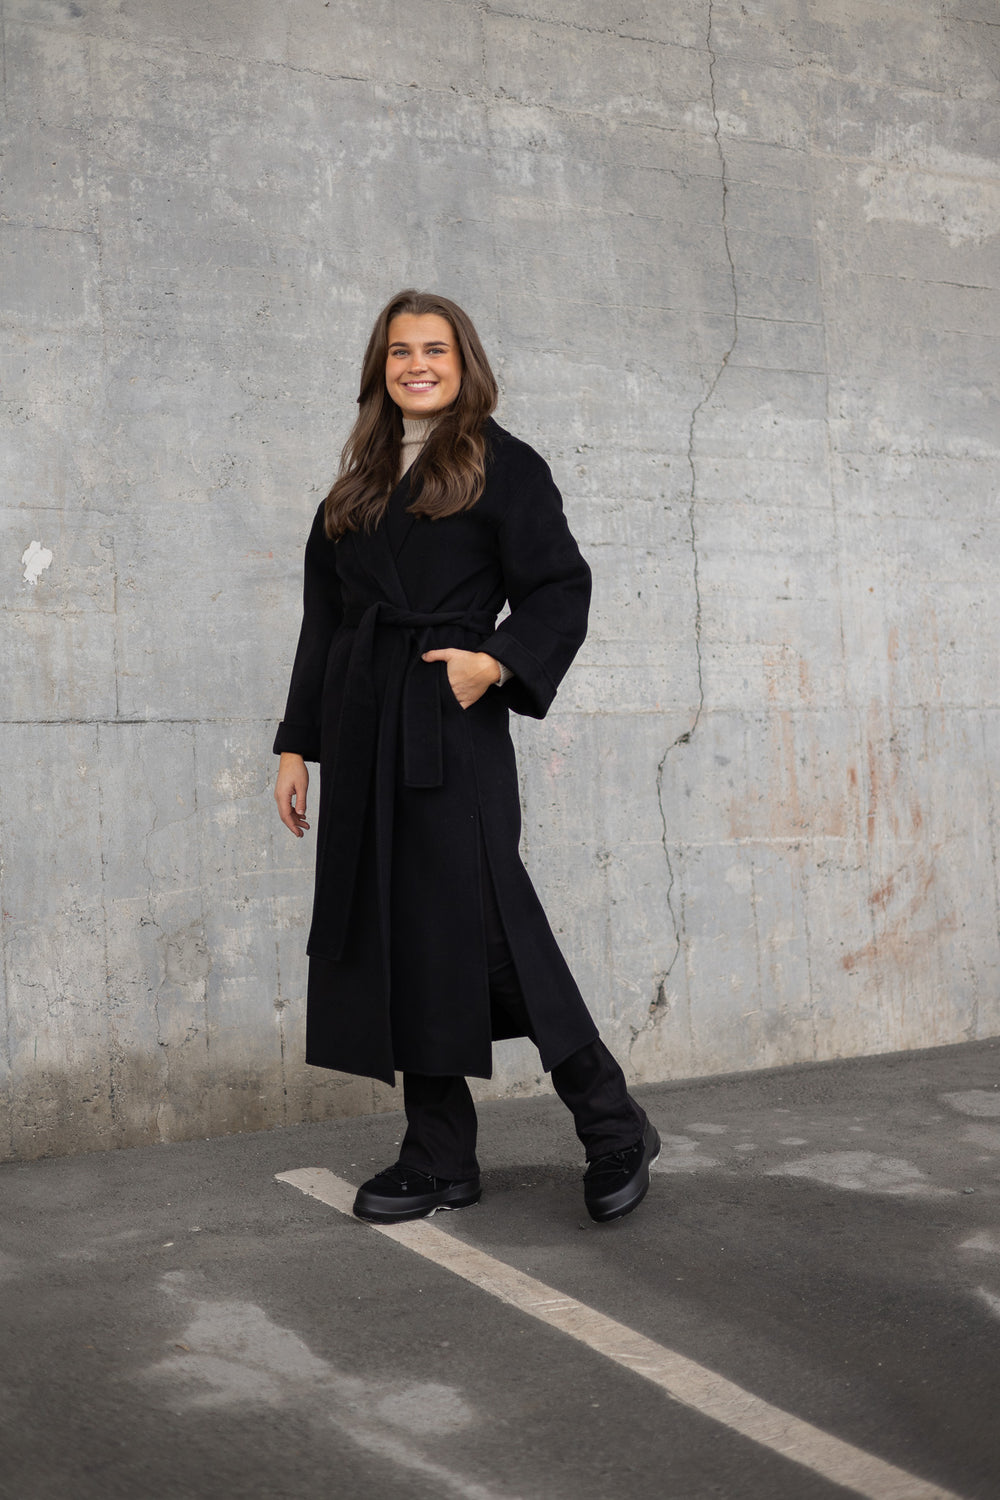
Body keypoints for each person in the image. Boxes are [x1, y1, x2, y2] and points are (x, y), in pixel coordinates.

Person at [273, 289, 659, 1225]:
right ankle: (439, 1155)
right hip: (365, 730)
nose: (417, 365)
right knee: (402, 930)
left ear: (464, 361)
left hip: (448, 726)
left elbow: (561, 586)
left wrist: (495, 663)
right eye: (400, 351)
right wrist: (295, 745)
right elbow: (325, 624)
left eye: (434, 349)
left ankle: (613, 1123)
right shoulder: (357, 485)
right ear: (380, 369)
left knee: (492, 933)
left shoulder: (504, 465)